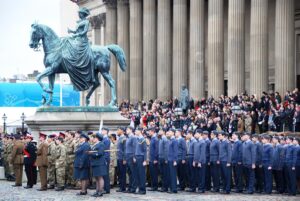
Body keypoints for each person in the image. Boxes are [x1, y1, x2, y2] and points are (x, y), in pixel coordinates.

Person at [88, 133, 107, 197]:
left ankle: (100, 191)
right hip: (95, 163)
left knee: (100, 177)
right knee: (96, 178)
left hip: (99, 163)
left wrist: (91, 154)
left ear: (97, 138)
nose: (93, 139)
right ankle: (97, 191)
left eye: (94, 138)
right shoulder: (95, 145)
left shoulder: (101, 144)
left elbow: (100, 153)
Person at [133, 127, 147, 194]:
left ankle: (143, 189)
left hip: (141, 158)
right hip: (136, 157)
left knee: (142, 174)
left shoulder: (143, 139)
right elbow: (135, 149)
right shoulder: (136, 139)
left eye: (136, 131)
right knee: (137, 174)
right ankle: (139, 188)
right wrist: (134, 157)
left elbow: (145, 151)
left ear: (140, 131)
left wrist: (145, 160)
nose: (135, 132)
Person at [193, 129, 206, 193]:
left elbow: (202, 153)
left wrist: (200, 162)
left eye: (196, 133)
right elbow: (196, 153)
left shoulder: (202, 142)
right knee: (198, 175)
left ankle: (202, 188)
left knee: (201, 175)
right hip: (197, 161)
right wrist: (194, 160)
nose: (195, 135)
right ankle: (199, 187)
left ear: (200, 134)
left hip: (201, 162)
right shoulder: (197, 142)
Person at [125, 126, 137, 193]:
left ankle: (133, 188)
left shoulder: (133, 137)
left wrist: (134, 157)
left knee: (133, 173)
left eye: (127, 129)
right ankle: (130, 187)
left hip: (131, 156)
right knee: (129, 173)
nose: (126, 130)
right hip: (127, 156)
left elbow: (135, 147)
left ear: (131, 130)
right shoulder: (128, 138)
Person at [148, 127, 159, 191]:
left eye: (149, 132)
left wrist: (155, 158)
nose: (149, 133)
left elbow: (156, 150)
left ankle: (155, 186)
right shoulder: (152, 138)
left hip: (154, 159)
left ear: (152, 131)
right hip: (151, 158)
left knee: (154, 173)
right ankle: (153, 186)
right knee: (152, 173)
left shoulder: (155, 139)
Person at [167, 129, 178, 194]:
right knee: (170, 174)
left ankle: (174, 189)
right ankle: (171, 188)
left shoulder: (174, 140)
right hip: (169, 159)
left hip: (172, 159)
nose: (169, 132)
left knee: (173, 175)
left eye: (170, 132)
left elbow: (175, 151)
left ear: (173, 133)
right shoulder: (170, 140)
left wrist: (175, 160)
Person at [116, 127, 127, 192]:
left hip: (122, 158)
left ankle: (123, 187)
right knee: (119, 173)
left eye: (118, 130)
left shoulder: (124, 138)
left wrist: (124, 159)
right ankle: (120, 186)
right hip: (119, 157)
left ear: (122, 131)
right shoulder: (120, 138)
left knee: (122, 173)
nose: (117, 131)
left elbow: (125, 149)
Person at [101, 127, 111, 194]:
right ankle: (105, 188)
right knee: (103, 174)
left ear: (106, 131)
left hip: (105, 158)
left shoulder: (106, 139)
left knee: (105, 174)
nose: (101, 131)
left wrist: (105, 159)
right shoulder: (103, 139)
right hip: (103, 158)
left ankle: (107, 189)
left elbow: (106, 150)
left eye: (103, 130)